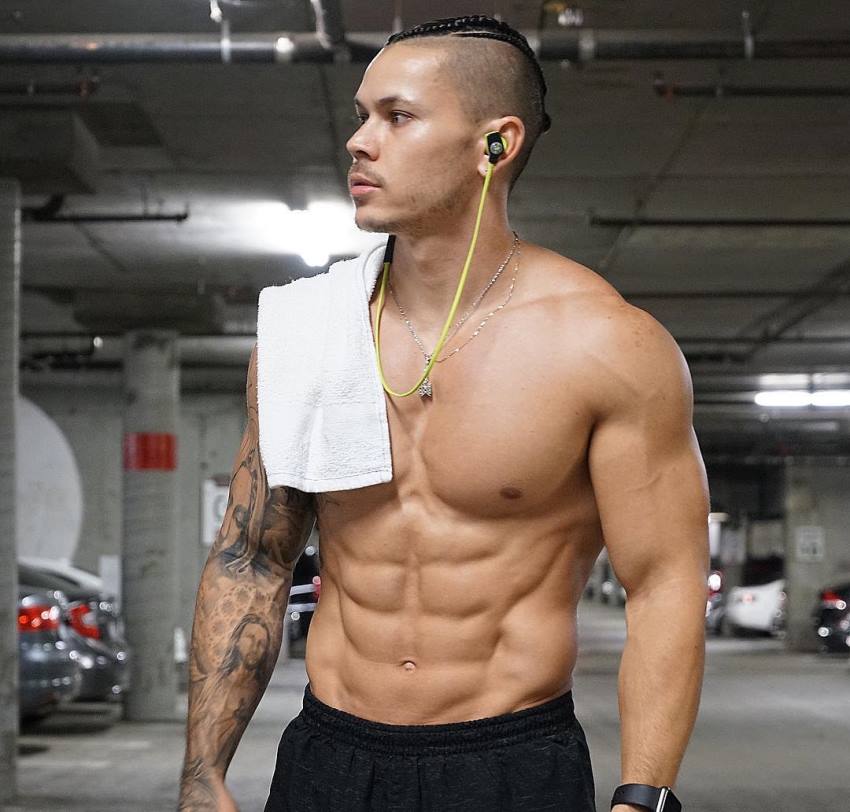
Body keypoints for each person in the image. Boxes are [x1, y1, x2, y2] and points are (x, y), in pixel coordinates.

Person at [178, 14, 709, 812]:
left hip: (510, 759)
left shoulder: (607, 345)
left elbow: (664, 582)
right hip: (331, 755)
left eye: (397, 116)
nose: (359, 140)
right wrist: (201, 769)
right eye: (361, 115)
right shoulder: (306, 332)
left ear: (496, 144)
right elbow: (252, 557)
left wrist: (645, 795)